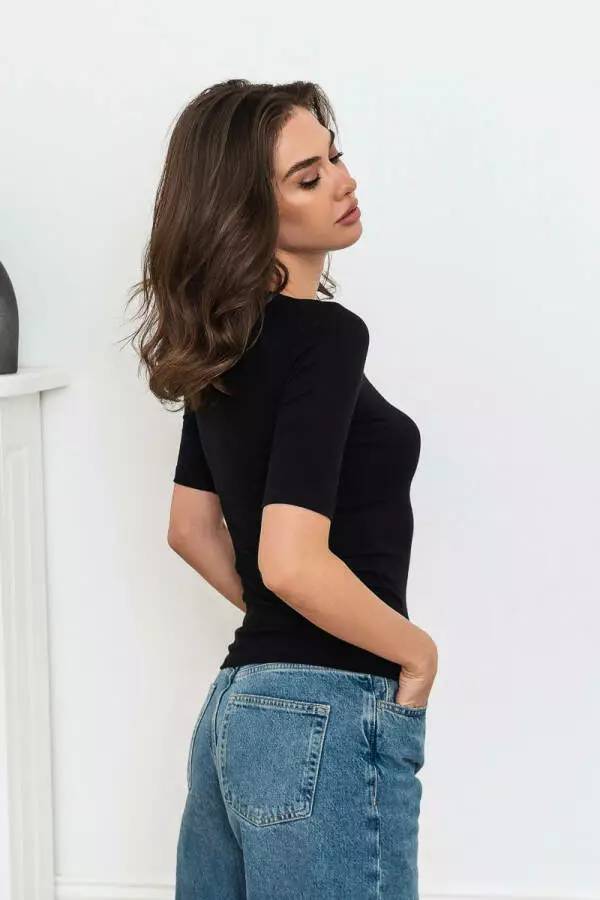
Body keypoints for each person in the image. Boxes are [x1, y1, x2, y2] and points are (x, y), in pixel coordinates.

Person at [128, 78, 438, 899]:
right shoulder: (327, 337)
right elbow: (291, 564)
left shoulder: (221, 348)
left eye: (334, 158)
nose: (343, 181)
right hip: (324, 715)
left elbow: (191, 529)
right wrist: (416, 653)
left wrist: (280, 621)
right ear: (248, 212)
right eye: (308, 177)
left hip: (235, 713)